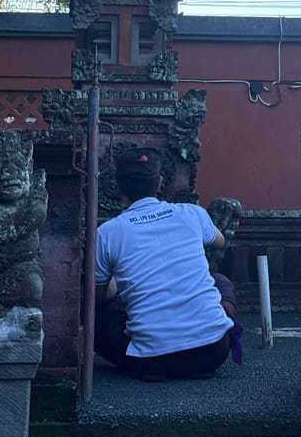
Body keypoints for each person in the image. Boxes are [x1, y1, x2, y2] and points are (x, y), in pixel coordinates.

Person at [94, 147, 241, 381]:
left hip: (149, 360)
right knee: (221, 282)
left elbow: (98, 297)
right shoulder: (192, 214)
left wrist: (117, 282)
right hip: (213, 351)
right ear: (160, 183)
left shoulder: (107, 233)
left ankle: (153, 354)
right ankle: (207, 335)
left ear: (117, 186)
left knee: (95, 314)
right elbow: (219, 240)